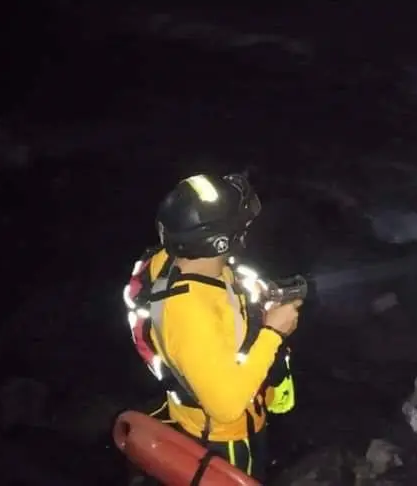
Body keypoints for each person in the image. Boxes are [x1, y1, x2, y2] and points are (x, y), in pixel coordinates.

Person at [121, 172, 301, 483]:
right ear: (220, 241)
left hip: (226, 408)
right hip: (225, 439)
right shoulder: (188, 312)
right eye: (241, 226)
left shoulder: (181, 261)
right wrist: (274, 332)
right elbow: (226, 406)